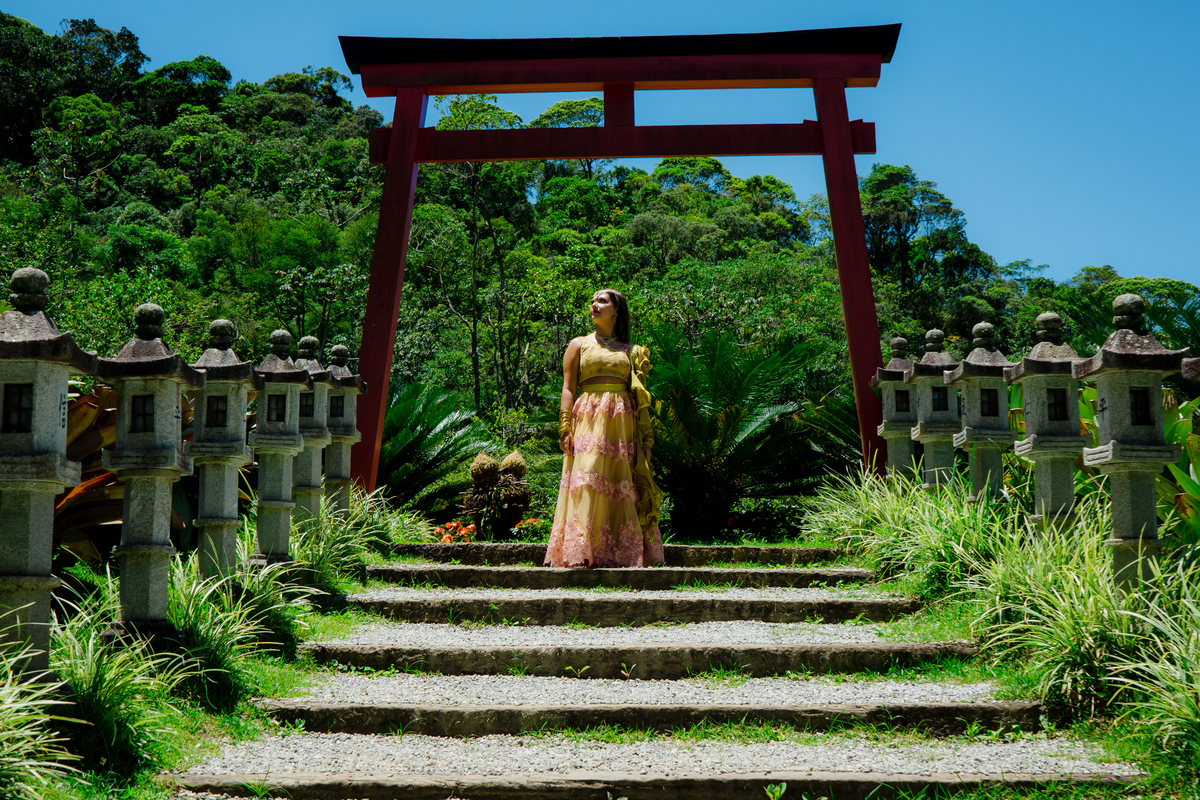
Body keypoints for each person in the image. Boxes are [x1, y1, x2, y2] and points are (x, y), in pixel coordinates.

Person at [544, 289, 664, 568]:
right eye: (593, 301)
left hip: (622, 425)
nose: (594, 305)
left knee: (621, 486)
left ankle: (622, 553)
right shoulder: (578, 344)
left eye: (602, 301)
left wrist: (647, 438)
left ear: (617, 310)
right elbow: (567, 387)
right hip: (587, 418)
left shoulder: (632, 352)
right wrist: (564, 426)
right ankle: (581, 551)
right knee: (588, 479)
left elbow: (641, 396)